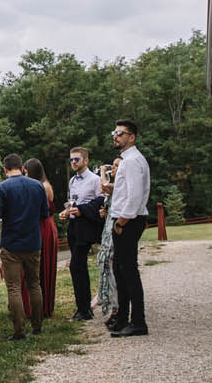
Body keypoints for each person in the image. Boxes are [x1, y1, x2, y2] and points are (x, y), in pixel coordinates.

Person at [0, 155, 48, 340]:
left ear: (5, 170)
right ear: (22, 167)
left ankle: (19, 331)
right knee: (34, 285)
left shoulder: (2, 188)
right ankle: (37, 326)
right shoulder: (37, 185)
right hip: (32, 242)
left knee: (13, 288)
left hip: (11, 244)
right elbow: (44, 213)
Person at [107, 119, 152, 336]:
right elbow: (127, 189)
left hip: (129, 221)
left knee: (128, 271)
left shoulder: (133, 160)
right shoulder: (128, 160)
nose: (116, 136)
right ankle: (122, 318)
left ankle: (138, 321)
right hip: (126, 219)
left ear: (131, 137)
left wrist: (121, 222)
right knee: (121, 271)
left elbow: (134, 196)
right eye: (114, 133)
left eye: (120, 133)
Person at [62, 146, 106, 321]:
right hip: (73, 226)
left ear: (86, 160)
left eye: (76, 159)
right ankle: (83, 307)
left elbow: (100, 202)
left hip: (86, 227)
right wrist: (67, 211)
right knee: (78, 268)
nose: (73, 162)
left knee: (76, 265)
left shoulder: (95, 180)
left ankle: (83, 309)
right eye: (71, 160)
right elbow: (73, 202)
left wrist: (81, 210)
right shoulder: (73, 181)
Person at [21, 158, 59, 326]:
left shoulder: (43, 187)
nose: (25, 175)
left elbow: (39, 210)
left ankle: (38, 307)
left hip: (42, 227)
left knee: (40, 265)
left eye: (26, 172)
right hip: (44, 225)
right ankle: (36, 305)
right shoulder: (43, 184)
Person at [95, 158, 121, 318]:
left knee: (112, 265)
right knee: (107, 266)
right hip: (108, 226)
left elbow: (103, 187)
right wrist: (105, 212)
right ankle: (111, 304)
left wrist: (103, 171)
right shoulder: (116, 186)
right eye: (114, 165)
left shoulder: (121, 185)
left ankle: (116, 306)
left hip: (116, 228)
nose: (115, 168)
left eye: (117, 165)